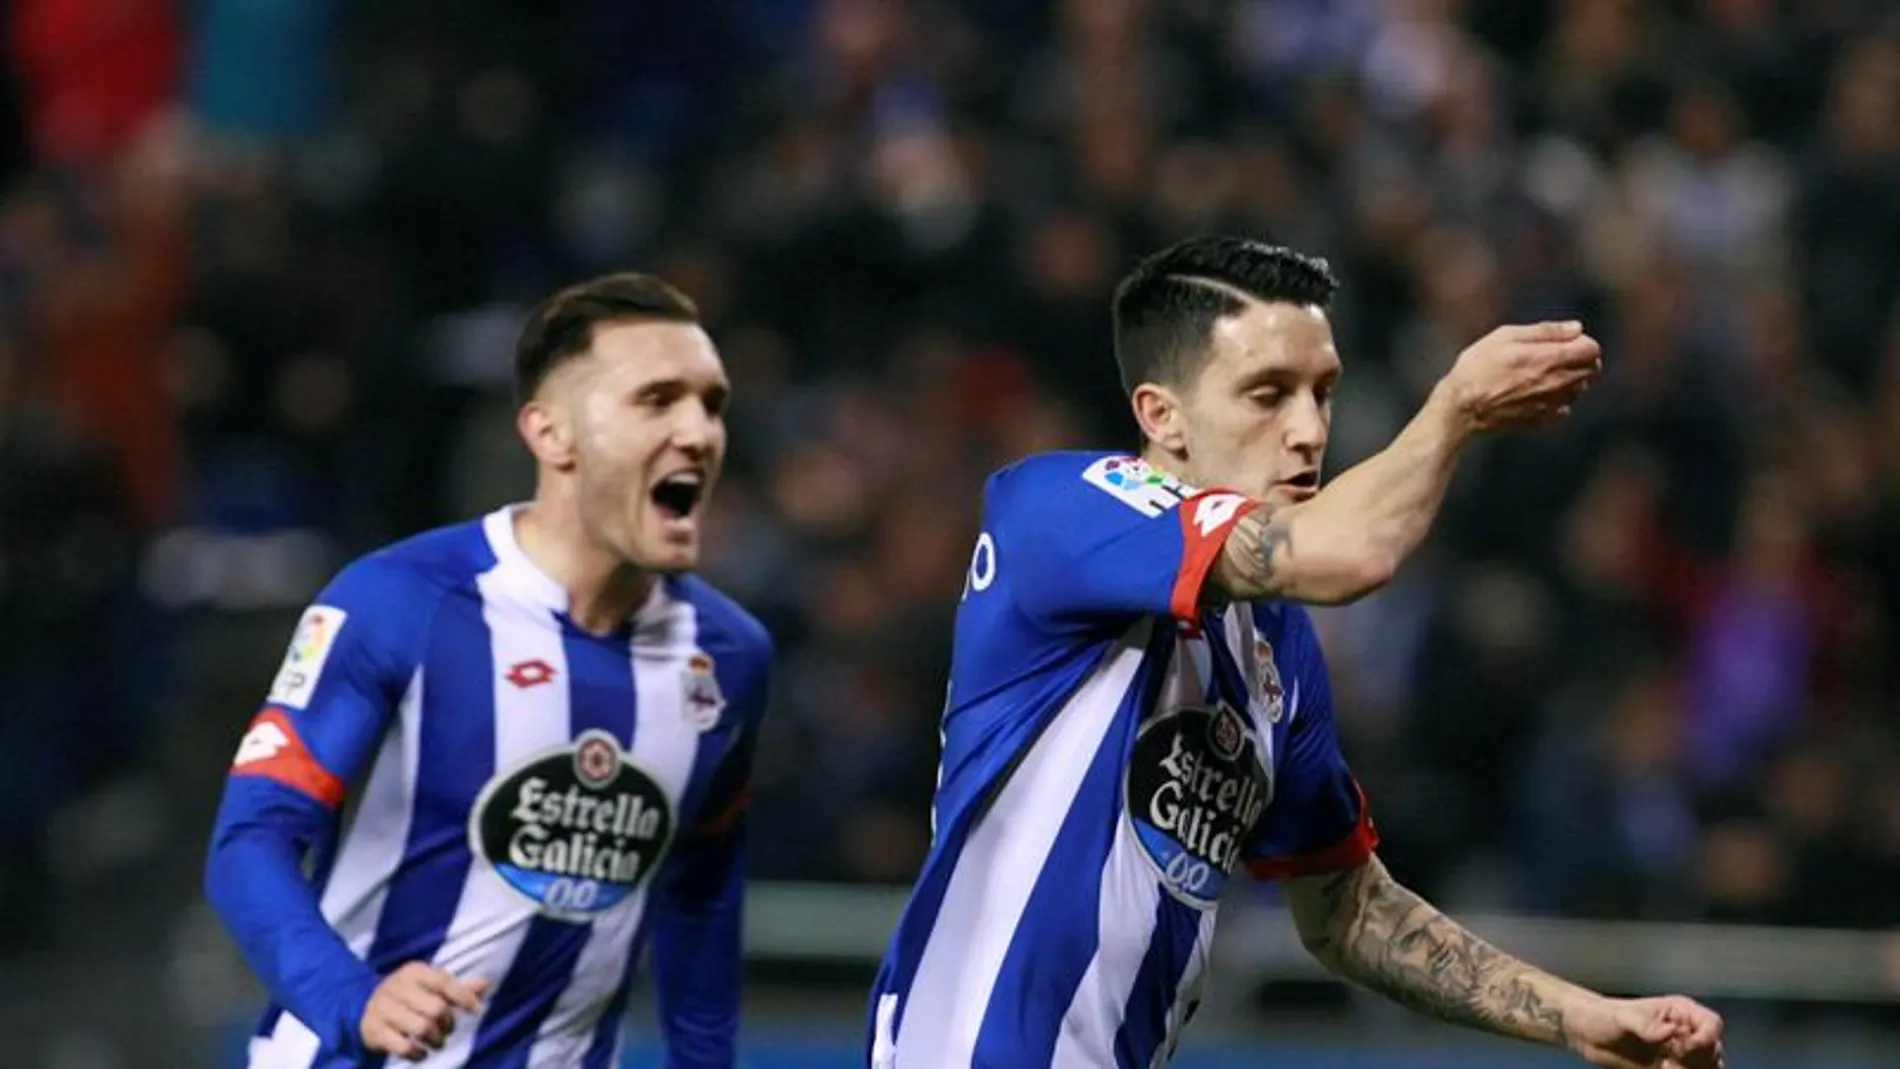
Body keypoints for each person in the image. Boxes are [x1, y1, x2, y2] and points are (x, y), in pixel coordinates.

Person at [867, 237, 1725, 1069]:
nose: (1309, 429)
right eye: (1268, 394)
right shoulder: (1060, 508)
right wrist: (1455, 407)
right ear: (1161, 414)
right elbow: (1351, 552)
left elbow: (1349, 909)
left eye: (1324, 392)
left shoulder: (1272, 642)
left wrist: (1581, 1016)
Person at [205, 272, 771, 1069]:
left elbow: (704, 886)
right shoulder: (399, 601)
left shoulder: (731, 655)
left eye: (711, 404)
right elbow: (252, 837)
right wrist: (352, 996)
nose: (699, 432)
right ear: (551, 433)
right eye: (657, 400)